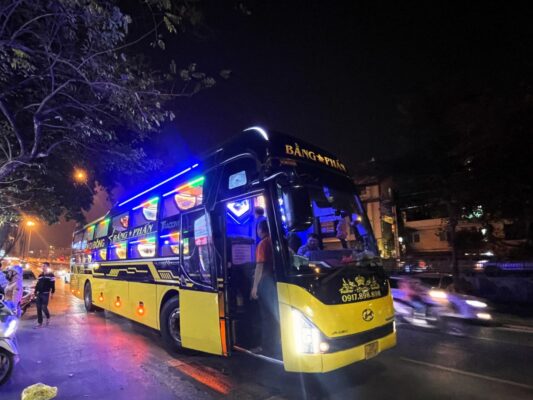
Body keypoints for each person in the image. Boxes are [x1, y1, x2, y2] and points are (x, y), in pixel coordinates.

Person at [250, 219, 278, 355]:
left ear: (260, 230)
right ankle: (277, 345)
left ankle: (266, 347)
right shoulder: (276, 241)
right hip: (275, 282)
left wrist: (254, 287)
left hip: (265, 283)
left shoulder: (263, 244)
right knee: (274, 316)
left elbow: (259, 266)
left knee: (266, 317)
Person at [34, 262, 55, 328]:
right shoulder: (40, 275)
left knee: (43, 307)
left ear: (47, 267)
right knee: (38, 308)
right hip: (39, 294)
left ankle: (48, 317)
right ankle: (40, 323)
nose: (43, 267)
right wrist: (35, 291)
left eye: (44, 266)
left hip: (46, 294)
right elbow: (37, 284)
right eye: (42, 266)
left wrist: (52, 293)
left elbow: (52, 284)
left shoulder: (51, 275)